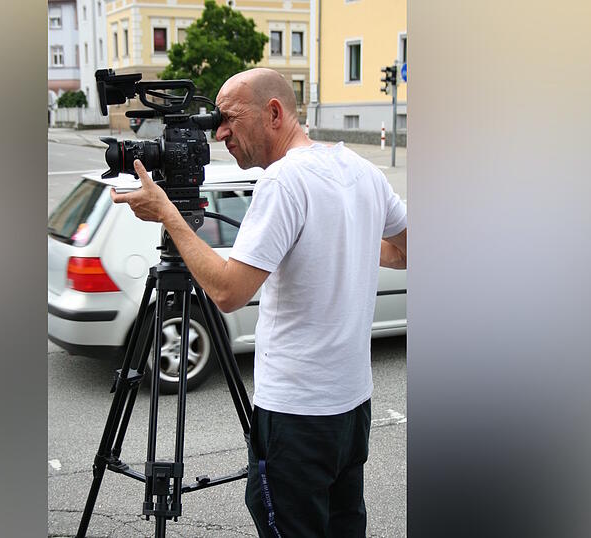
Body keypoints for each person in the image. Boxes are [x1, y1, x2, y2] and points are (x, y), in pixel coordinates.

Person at [110, 67, 407, 537]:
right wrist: (345, 243)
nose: (221, 132)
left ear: (273, 113)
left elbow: (228, 292)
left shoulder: (282, 183)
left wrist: (168, 213)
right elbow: (410, 249)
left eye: (230, 118)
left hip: (297, 417)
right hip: (352, 408)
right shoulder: (361, 170)